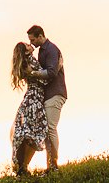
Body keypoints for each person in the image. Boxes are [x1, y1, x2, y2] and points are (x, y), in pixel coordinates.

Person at [27, 25, 67, 172]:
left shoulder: (50, 50)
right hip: (49, 94)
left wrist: (33, 73)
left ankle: (53, 165)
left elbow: (51, 73)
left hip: (55, 93)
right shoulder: (42, 51)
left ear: (40, 36)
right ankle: (51, 164)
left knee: (50, 128)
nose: (31, 43)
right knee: (47, 129)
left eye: (32, 39)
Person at [10, 41, 49, 176]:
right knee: (32, 135)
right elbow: (44, 80)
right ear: (26, 51)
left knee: (28, 135)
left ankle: (22, 168)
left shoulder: (28, 61)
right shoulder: (30, 62)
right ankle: (22, 168)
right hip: (34, 99)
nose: (30, 45)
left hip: (31, 99)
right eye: (27, 45)